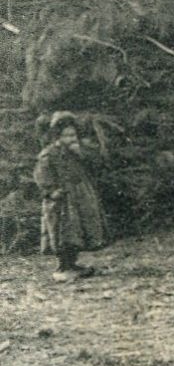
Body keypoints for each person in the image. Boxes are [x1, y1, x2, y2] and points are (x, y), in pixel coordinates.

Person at [34, 112, 109, 283]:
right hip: (61, 199)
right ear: (57, 137)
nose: (71, 138)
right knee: (63, 231)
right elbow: (42, 173)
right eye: (66, 135)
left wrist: (81, 153)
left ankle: (73, 264)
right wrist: (51, 190)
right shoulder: (50, 154)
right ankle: (63, 266)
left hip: (80, 197)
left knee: (78, 230)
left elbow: (97, 164)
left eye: (73, 135)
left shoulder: (80, 151)